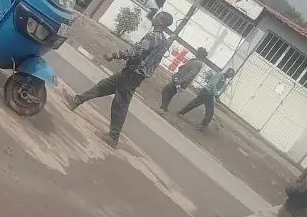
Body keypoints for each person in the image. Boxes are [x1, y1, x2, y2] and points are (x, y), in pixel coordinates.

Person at [66, 9, 174, 147]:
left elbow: (136, 52)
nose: (155, 17)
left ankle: (113, 137)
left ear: (162, 22)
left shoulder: (154, 36)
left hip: (133, 74)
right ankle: (77, 100)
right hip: (133, 73)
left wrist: (115, 55)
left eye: (158, 16)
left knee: (120, 104)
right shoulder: (163, 41)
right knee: (103, 86)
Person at [176, 66, 235, 131]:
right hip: (206, 92)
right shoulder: (220, 75)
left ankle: (200, 125)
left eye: (231, 75)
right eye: (230, 74)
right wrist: (216, 96)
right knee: (199, 106)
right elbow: (213, 85)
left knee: (203, 108)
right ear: (227, 72)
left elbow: (216, 87)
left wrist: (214, 95)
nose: (230, 76)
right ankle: (183, 114)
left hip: (209, 94)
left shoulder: (224, 78)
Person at [159, 47, 208, 112]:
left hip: (180, 81)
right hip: (179, 79)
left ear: (200, 54)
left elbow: (191, 75)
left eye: (198, 51)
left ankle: (164, 107)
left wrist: (180, 81)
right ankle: (163, 108)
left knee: (165, 90)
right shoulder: (194, 60)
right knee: (170, 93)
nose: (196, 52)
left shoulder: (198, 63)